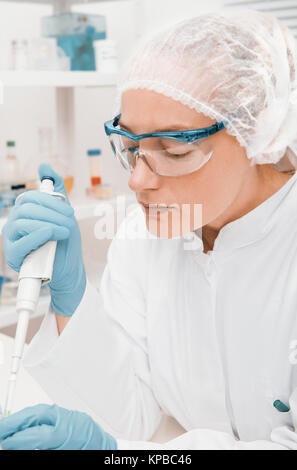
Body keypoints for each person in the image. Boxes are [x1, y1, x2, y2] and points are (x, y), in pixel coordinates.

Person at [1, 9, 297, 450]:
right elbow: (133, 415)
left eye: (174, 151)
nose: (138, 181)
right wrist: (74, 301)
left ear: (257, 132)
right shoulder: (146, 237)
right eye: (131, 146)